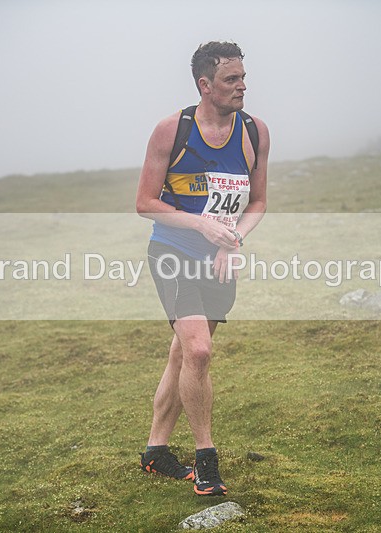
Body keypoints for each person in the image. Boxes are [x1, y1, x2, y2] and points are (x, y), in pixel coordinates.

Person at [135, 41, 269, 496]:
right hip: (173, 252)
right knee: (198, 351)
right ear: (205, 85)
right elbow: (145, 203)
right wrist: (204, 227)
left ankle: (155, 451)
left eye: (243, 78)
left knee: (182, 354)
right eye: (231, 80)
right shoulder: (172, 130)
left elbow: (258, 202)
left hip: (220, 261)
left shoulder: (254, 132)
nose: (242, 87)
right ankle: (206, 460)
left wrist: (233, 240)